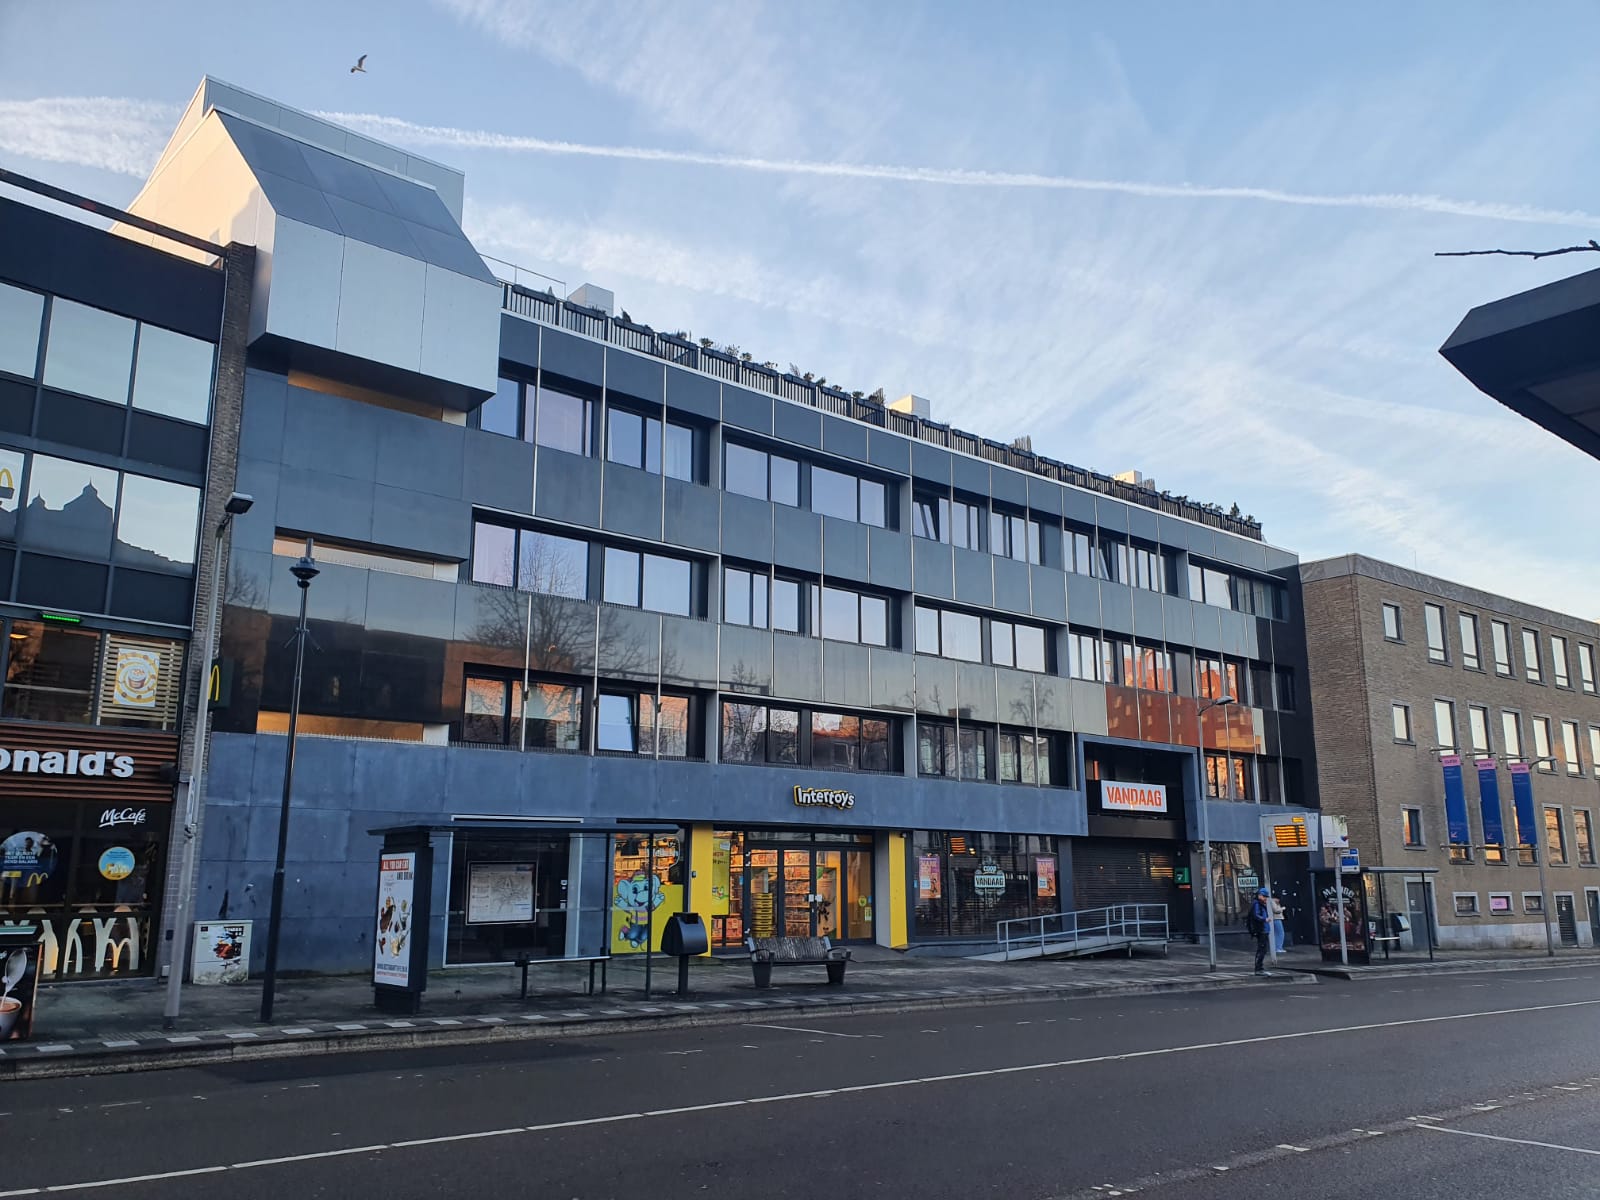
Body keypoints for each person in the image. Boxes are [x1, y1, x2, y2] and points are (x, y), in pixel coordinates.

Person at [1250, 887, 1273, 975]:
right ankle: (1258, 968)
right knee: (1262, 949)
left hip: (1264, 929)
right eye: (1264, 896)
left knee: (1263, 949)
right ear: (1259, 895)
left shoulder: (1260, 904)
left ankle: (1259, 967)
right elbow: (1256, 915)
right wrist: (1264, 919)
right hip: (1262, 929)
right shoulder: (1257, 904)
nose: (1265, 898)